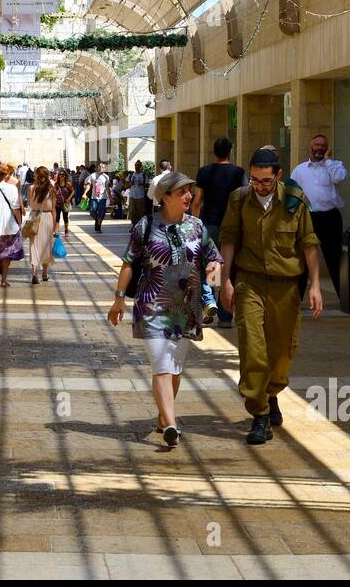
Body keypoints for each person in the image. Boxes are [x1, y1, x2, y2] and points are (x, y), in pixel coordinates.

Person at [108, 171, 223, 448]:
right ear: (166, 197)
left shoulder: (196, 226)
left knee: (174, 368)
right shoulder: (146, 225)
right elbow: (128, 263)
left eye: (190, 191)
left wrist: (213, 281)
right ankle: (171, 423)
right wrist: (119, 298)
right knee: (161, 365)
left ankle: (163, 416)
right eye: (183, 191)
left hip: (187, 309)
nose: (189, 196)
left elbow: (214, 258)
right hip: (151, 307)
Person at [219, 146, 323, 445]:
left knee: (282, 352)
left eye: (265, 181)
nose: (259, 186)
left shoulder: (294, 201)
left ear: (278, 175)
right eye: (254, 180)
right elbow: (227, 240)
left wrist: (315, 285)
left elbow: (309, 244)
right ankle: (260, 413)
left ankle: (272, 391)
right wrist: (225, 281)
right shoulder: (239, 200)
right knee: (253, 347)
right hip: (249, 281)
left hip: (285, 285)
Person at [193, 137, 247, 327]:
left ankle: (209, 302)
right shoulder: (238, 172)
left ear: (214, 152)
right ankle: (225, 316)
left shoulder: (204, 171)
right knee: (229, 267)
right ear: (230, 152)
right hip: (232, 226)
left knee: (210, 266)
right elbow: (245, 198)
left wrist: (194, 222)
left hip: (210, 225)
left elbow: (198, 200)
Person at [290, 134, 348, 297]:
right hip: (307, 218)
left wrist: (328, 161)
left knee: (334, 257)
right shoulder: (300, 170)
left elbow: (339, 178)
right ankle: (296, 299)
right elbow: (292, 194)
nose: (320, 148)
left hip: (330, 217)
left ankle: (343, 298)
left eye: (323, 145)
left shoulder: (335, 166)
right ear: (311, 147)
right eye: (317, 145)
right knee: (303, 259)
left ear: (328, 148)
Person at [25, 166, 57, 285]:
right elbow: (53, 209)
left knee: (34, 245)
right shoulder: (51, 189)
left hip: (34, 216)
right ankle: (44, 273)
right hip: (47, 217)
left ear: (36, 175)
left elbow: (29, 203)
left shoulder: (31, 188)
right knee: (46, 246)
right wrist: (55, 225)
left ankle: (34, 273)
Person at [86, 162, 110, 233]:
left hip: (103, 197)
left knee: (102, 213)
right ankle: (97, 219)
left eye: (102, 167)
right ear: (97, 168)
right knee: (92, 210)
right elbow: (89, 185)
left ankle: (99, 227)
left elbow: (107, 188)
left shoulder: (106, 177)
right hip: (94, 197)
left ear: (104, 169)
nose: (101, 168)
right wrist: (84, 193)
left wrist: (110, 197)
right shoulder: (92, 175)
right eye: (99, 166)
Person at [127, 160, 149, 225]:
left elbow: (147, 185)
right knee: (132, 212)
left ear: (140, 166)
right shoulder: (131, 175)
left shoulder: (144, 175)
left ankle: (140, 225)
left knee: (141, 212)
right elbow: (126, 185)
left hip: (140, 196)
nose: (137, 166)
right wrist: (130, 183)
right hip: (132, 196)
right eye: (136, 165)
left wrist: (142, 184)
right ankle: (134, 225)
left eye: (138, 165)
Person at [53, 169, 74, 236]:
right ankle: (56, 231)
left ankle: (66, 231)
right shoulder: (56, 184)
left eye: (63, 175)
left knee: (65, 217)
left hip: (65, 204)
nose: (61, 176)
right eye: (60, 175)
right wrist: (55, 193)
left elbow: (73, 191)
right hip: (58, 203)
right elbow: (53, 192)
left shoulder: (68, 184)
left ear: (65, 176)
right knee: (57, 218)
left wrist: (69, 198)